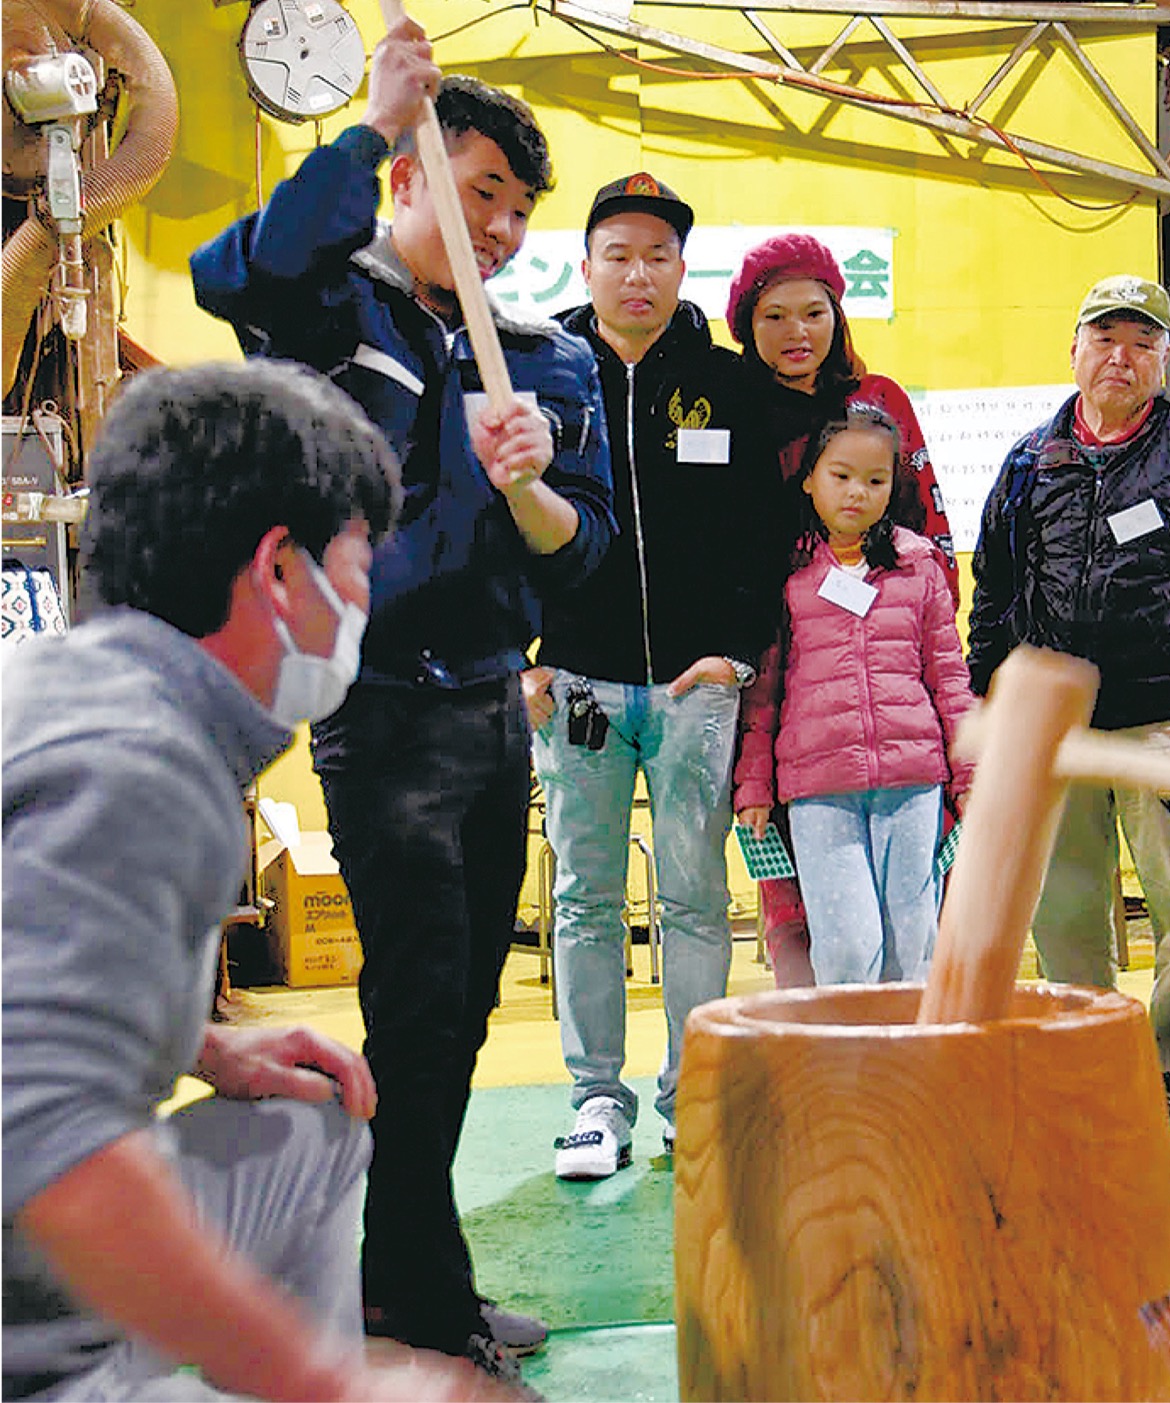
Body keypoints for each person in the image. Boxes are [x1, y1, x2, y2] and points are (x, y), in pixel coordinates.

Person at [190, 20, 616, 1380]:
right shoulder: (334, 301)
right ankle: (409, 1301)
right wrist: (374, 121)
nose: (497, 225)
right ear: (415, 183)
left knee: (465, 1006)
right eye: (476, 188)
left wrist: (530, 483)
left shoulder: (545, 357)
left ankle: (408, 1278)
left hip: (498, 706)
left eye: (515, 207)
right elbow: (238, 265)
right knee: (423, 1003)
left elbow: (587, 546)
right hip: (381, 709)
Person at [2, 359, 522, 1402]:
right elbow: (46, 1149)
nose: (365, 599)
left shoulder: (59, 687)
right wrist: (330, 1382)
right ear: (280, 571)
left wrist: (198, 1044)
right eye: (360, 562)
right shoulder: (143, 763)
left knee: (315, 1120)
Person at [521, 172, 789, 1180]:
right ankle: (596, 1097)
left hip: (696, 690)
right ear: (584, 264)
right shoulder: (541, 370)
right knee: (586, 897)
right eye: (617, 253)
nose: (638, 273)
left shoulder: (726, 384)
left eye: (658, 255)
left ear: (683, 268)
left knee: (690, 895)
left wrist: (734, 654)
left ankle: (694, 1091)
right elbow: (492, 520)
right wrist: (523, 661)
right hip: (576, 689)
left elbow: (763, 537)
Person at [968, 273, 1170, 1121]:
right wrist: (987, 694)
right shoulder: (1031, 463)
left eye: (1143, 341)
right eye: (1105, 338)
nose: (1121, 357)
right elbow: (991, 587)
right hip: (1051, 728)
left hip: (1167, 714)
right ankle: (1086, 1046)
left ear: (1164, 360)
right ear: (1074, 351)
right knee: (1063, 903)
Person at [725, 232, 960, 988]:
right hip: (784, 685)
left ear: (837, 313)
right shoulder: (735, 412)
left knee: (909, 920)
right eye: (774, 317)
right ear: (746, 326)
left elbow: (929, 524)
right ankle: (824, 1072)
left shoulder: (878, 400)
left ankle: (906, 1078)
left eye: (813, 313)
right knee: (812, 917)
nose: (796, 334)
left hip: (897, 706)